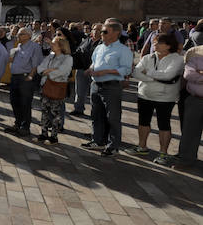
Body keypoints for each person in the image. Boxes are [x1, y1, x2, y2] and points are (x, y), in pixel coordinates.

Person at [82, 20, 134, 156]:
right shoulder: (99, 47)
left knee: (113, 118)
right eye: (101, 31)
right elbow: (94, 63)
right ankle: (98, 141)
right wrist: (90, 69)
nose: (101, 33)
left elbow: (126, 69)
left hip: (111, 87)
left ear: (116, 33)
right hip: (95, 85)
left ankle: (113, 146)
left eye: (104, 31)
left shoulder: (123, 50)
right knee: (96, 115)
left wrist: (106, 72)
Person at [131, 32, 184, 164]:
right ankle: (141, 146)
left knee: (164, 124)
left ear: (168, 46)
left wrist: (148, 73)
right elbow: (136, 73)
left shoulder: (177, 59)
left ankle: (163, 153)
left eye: (159, 42)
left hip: (165, 98)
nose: (155, 44)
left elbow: (168, 75)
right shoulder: (147, 58)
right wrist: (154, 77)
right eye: (154, 42)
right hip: (144, 94)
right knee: (143, 122)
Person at [6, 28, 44, 136]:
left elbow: (36, 64)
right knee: (14, 102)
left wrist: (31, 76)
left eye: (21, 34)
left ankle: (25, 127)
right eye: (18, 34)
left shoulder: (34, 47)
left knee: (25, 103)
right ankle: (17, 123)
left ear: (28, 35)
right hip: (15, 78)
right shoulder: (19, 46)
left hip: (25, 78)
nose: (18, 36)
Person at [36, 36, 74, 144]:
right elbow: (40, 68)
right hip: (45, 86)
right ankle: (43, 133)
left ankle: (54, 136)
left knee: (55, 113)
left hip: (57, 88)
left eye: (54, 44)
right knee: (44, 111)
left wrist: (49, 72)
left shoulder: (67, 58)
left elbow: (62, 72)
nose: (51, 45)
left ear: (61, 46)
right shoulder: (50, 56)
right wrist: (49, 70)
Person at [176, 46, 203, 169]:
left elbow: (194, 75)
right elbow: (189, 74)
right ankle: (186, 160)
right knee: (189, 132)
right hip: (195, 99)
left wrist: (200, 73)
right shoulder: (195, 54)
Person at [71, 23, 102, 117]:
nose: (95, 31)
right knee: (79, 91)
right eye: (94, 29)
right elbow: (79, 49)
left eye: (98, 30)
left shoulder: (103, 43)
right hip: (82, 69)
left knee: (94, 94)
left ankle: (95, 112)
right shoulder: (87, 40)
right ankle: (78, 109)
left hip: (95, 71)